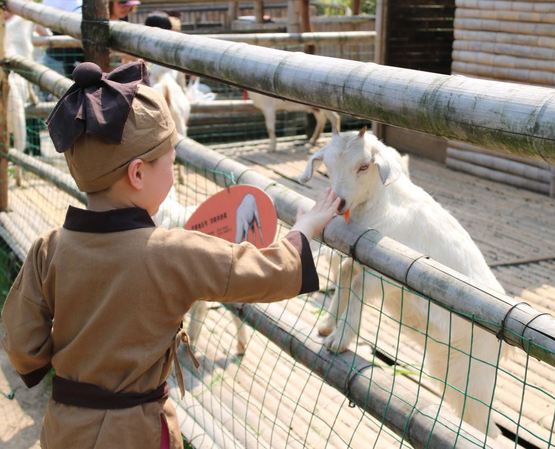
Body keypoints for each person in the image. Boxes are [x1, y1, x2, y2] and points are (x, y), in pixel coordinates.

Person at [1, 61, 340, 449]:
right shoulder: (171, 251)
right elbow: (265, 271)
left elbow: (23, 344)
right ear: (138, 174)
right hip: (136, 432)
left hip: (64, 427)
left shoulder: (49, 248)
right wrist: (304, 231)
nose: (174, 173)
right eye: (170, 163)